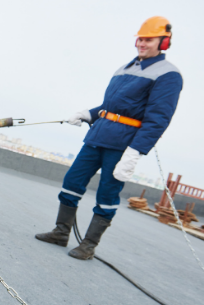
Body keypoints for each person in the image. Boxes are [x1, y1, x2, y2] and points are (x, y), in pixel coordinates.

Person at [35, 16, 183, 260]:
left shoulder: (168, 75)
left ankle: (88, 245)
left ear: (164, 42)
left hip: (123, 144)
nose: (142, 43)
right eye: (140, 38)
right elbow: (111, 106)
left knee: (107, 194)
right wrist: (88, 114)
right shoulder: (126, 68)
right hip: (98, 135)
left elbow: (158, 119)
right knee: (72, 182)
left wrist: (135, 152)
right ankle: (61, 233)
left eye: (149, 39)